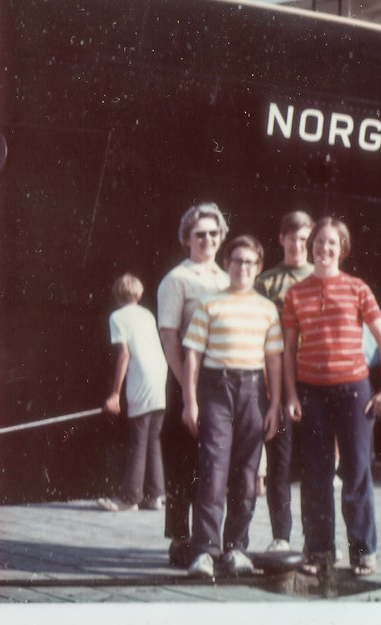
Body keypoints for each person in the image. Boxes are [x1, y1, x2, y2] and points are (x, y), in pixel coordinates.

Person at [282, 217, 381, 578]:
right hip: (310, 391)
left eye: (332, 243)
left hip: (353, 391)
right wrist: (290, 395)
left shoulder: (358, 288)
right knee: (315, 473)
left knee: (356, 472)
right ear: (309, 245)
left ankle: (363, 551)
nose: (324, 249)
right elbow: (287, 351)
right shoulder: (295, 293)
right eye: (319, 242)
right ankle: (318, 551)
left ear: (341, 249)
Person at [182, 235, 283, 579]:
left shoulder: (267, 309)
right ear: (227, 264)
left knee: (247, 472)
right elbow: (193, 354)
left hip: (254, 391)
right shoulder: (209, 305)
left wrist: (275, 404)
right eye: (237, 261)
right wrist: (190, 401)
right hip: (216, 387)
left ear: (258, 267)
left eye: (250, 262)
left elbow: (273, 359)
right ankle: (204, 552)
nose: (243, 268)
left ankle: (236, 548)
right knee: (213, 468)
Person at [157, 202, 230, 568]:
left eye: (214, 234)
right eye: (200, 234)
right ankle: (180, 538)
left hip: (220, 380)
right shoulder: (177, 279)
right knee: (183, 460)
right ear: (187, 237)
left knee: (212, 463)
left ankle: (208, 537)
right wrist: (186, 379)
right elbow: (168, 333)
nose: (207, 240)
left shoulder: (225, 278)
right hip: (188, 378)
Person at [254, 210, 314, 552]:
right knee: (279, 460)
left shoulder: (322, 279)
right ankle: (281, 537)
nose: (297, 245)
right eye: (292, 238)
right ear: (281, 239)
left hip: (314, 380)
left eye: (304, 239)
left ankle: (316, 539)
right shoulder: (266, 282)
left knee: (314, 463)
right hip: (277, 378)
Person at [97, 273, 167, 512]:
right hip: (159, 374)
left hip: (143, 376)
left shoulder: (117, 316)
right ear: (138, 293)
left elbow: (124, 355)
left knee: (139, 437)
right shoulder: (147, 313)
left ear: (117, 295)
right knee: (152, 437)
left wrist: (114, 394)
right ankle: (155, 496)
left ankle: (130, 498)